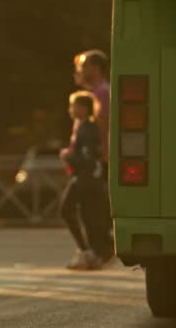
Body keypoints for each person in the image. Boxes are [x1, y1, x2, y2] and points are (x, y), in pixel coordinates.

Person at [60, 91, 113, 270]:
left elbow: (88, 157)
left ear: (83, 108)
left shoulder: (88, 128)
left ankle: (87, 251)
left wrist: (69, 156)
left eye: (73, 105)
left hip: (85, 178)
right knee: (88, 216)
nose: (70, 109)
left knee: (66, 209)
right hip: (86, 178)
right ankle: (93, 254)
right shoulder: (82, 125)